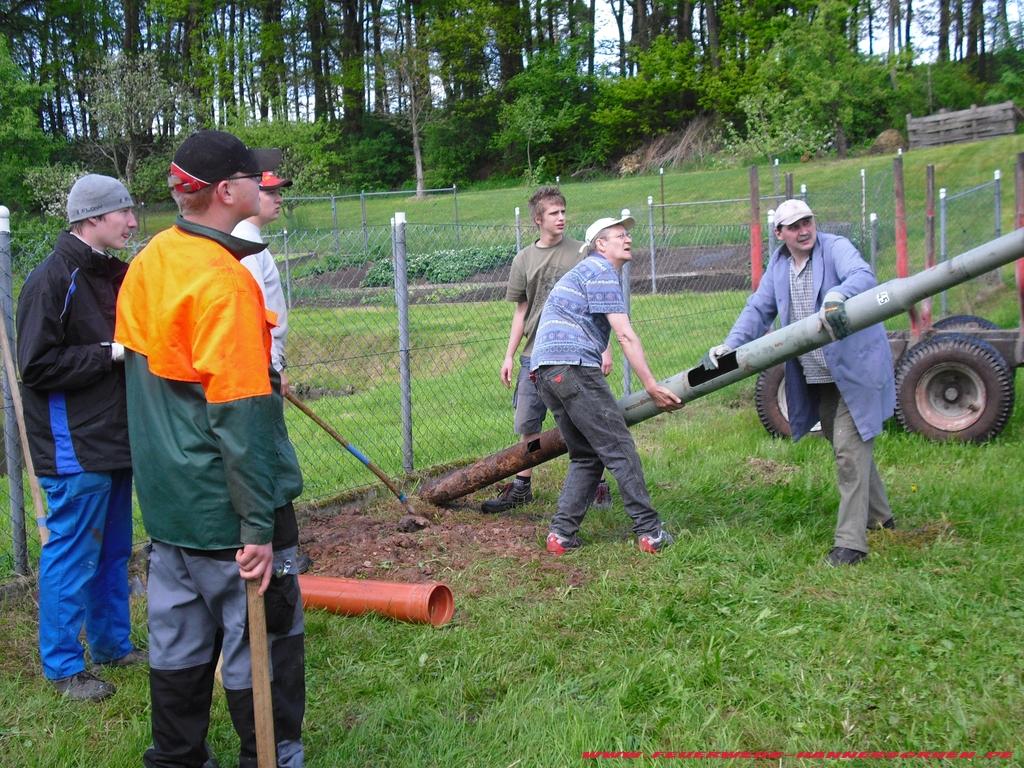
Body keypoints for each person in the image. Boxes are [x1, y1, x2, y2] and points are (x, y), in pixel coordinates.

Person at [115, 130, 306, 767]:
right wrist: (257, 525)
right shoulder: (225, 284)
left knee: (177, 644)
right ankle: (269, 755)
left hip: (169, 504)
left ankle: (176, 758)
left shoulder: (151, 259)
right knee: (266, 639)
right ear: (227, 192)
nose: (265, 184)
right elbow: (240, 416)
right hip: (228, 507)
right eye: (256, 177)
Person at [702, 198, 896, 567]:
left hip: (854, 370)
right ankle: (882, 517)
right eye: (794, 226)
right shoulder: (778, 267)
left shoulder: (836, 248)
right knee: (848, 448)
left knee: (847, 452)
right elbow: (759, 309)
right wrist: (731, 344)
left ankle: (851, 545)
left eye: (808, 221)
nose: (804, 230)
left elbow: (863, 276)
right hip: (819, 375)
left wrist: (838, 294)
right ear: (780, 234)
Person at [16, 174, 144, 701]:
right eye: (124, 213)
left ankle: (114, 645)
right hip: (73, 445)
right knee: (73, 554)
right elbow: (36, 366)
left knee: (114, 550)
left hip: (114, 437)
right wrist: (110, 352)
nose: (134, 222)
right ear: (93, 218)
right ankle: (64, 666)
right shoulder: (53, 279)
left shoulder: (110, 274)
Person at [530, 214, 682, 555]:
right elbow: (626, 335)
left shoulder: (584, 273)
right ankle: (650, 533)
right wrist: (652, 386)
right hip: (573, 368)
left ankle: (560, 537)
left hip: (546, 372)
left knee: (586, 456)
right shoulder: (601, 271)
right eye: (618, 235)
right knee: (620, 449)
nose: (627, 239)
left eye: (627, 234)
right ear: (601, 244)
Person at [483, 186, 613, 514]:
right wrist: (510, 355)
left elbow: (599, 303)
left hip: (575, 352)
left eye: (564, 212)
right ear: (538, 219)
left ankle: (597, 486)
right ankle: (522, 487)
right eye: (554, 213)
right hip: (534, 355)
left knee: (584, 419)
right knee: (528, 424)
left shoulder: (581, 252)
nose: (561, 218)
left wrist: (605, 348)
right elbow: (521, 313)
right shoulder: (523, 260)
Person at [232, 170, 312, 575]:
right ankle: (278, 551)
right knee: (269, 460)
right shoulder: (243, 245)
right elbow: (253, 319)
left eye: (281, 192)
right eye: (270, 191)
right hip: (258, 373)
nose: (278, 198)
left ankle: (281, 546)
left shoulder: (255, 242)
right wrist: (271, 369)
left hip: (268, 365)